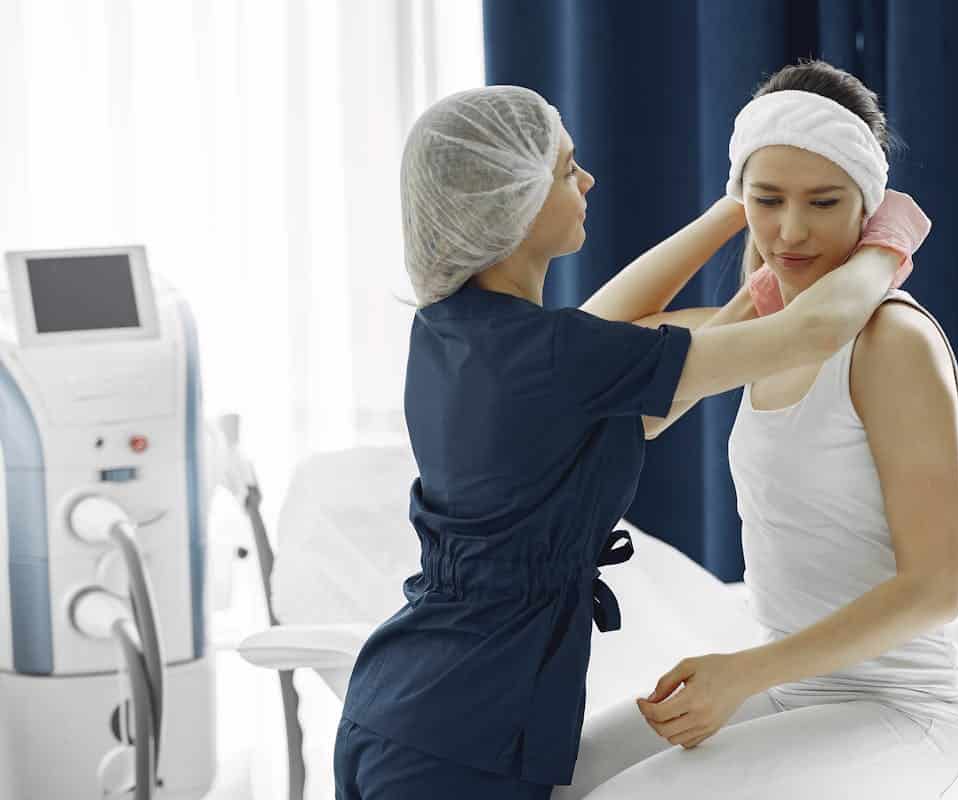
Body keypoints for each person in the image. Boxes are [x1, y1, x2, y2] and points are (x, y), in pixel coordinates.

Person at [332, 83, 925, 800]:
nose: (587, 180)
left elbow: (644, 344)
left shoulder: (458, 335)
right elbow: (812, 329)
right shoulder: (557, 357)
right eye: (564, 169)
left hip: (401, 711)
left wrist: (754, 203)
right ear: (513, 200)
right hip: (462, 740)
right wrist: (890, 234)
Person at [558, 60, 958, 800]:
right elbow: (586, 348)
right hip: (797, 691)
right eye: (769, 199)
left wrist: (741, 673)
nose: (792, 230)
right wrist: (733, 206)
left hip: (905, 711)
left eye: (824, 200)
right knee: (553, 781)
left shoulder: (892, 345)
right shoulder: (758, 331)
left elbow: (933, 589)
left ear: (869, 204)